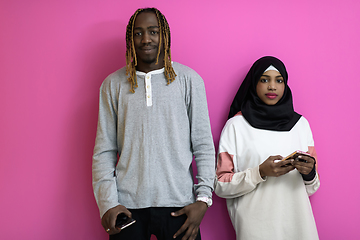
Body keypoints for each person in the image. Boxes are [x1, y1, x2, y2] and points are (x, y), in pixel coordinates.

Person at [92, 7, 215, 240]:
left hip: (180, 205)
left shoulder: (189, 80)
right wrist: (108, 204)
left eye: (153, 32)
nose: (146, 39)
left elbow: (203, 145)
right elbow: (104, 151)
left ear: (165, 36)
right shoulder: (113, 85)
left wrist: (203, 199)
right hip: (127, 208)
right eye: (137, 33)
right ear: (130, 39)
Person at [214, 56, 320, 240]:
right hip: (255, 229)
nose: (272, 86)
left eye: (279, 80)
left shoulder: (301, 125)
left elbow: (311, 188)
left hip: (300, 228)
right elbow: (220, 185)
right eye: (264, 80)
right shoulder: (236, 126)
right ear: (254, 83)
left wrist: (310, 174)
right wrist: (260, 172)